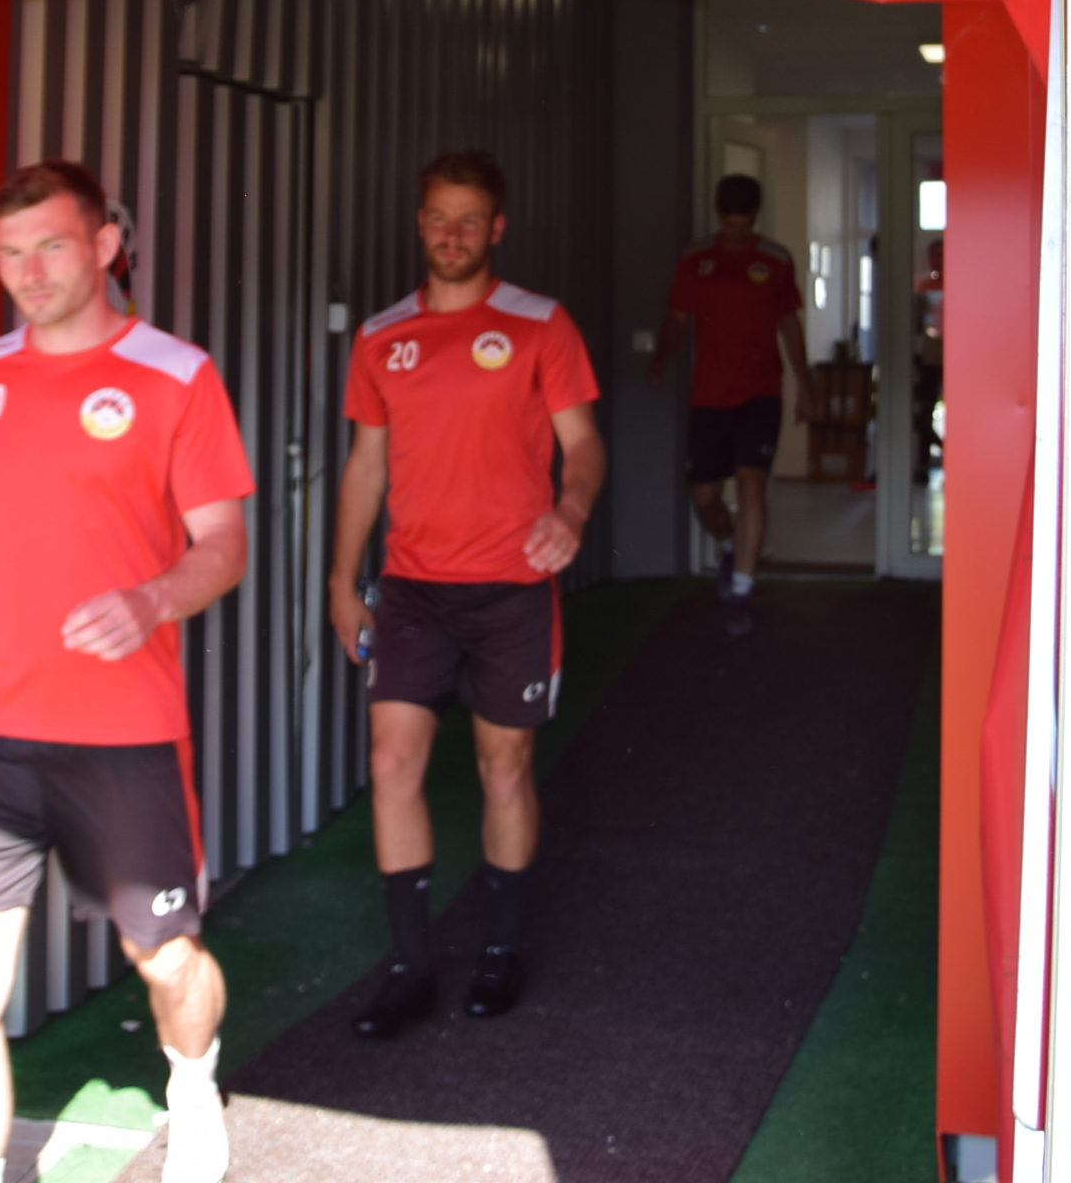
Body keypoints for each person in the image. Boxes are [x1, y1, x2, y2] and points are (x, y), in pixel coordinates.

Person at [0, 160, 253, 1183]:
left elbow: (223, 543)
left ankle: (190, 1079)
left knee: (168, 959)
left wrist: (149, 601)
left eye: (52, 246)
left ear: (105, 245)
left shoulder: (177, 374)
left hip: (122, 732)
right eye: (9, 252)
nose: (29, 271)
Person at [326, 150, 605, 1039]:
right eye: (439, 217)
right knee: (391, 765)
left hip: (512, 589)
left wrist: (570, 508)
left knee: (503, 769)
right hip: (411, 589)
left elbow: (583, 442)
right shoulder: (381, 336)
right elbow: (365, 467)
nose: (453, 234)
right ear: (421, 224)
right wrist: (340, 581)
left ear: (497, 228)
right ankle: (410, 970)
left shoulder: (540, 324)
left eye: (470, 219)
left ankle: (499, 951)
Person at [646, 172, 810, 636]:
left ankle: (741, 592)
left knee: (752, 484)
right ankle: (729, 544)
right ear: (720, 216)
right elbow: (677, 318)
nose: (737, 233)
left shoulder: (775, 260)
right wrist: (661, 357)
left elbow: (789, 325)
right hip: (710, 395)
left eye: (745, 225)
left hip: (761, 391)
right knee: (706, 498)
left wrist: (807, 386)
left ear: (755, 217)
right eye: (730, 225)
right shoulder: (695, 259)